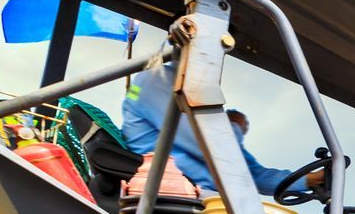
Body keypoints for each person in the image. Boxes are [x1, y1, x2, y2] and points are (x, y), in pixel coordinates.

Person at [121, 60, 309, 196]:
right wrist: (235, 126)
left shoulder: (205, 108)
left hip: (208, 197)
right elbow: (212, 147)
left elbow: (252, 174)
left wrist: (309, 179)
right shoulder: (156, 80)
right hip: (171, 192)